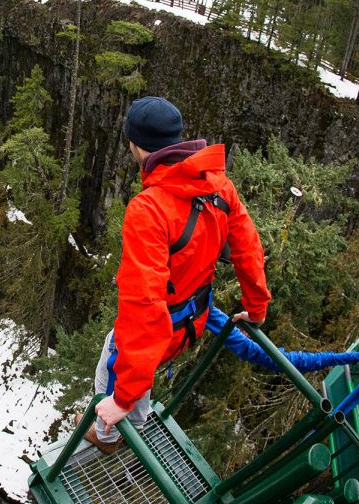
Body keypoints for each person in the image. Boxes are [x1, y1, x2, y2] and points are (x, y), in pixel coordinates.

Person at [84, 96, 271, 452]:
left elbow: (144, 305)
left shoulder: (149, 209)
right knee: (136, 360)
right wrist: (257, 307)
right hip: (194, 320)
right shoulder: (218, 185)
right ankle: (121, 418)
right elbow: (248, 249)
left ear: (135, 145)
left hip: (165, 328)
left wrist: (122, 398)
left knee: (115, 357)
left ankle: (108, 435)